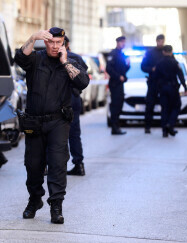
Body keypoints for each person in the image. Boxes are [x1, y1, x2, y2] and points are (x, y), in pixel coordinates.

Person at [14, 27, 89, 224]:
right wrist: (32, 37)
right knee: (33, 164)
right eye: (51, 42)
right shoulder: (35, 59)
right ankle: (34, 199)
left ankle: (56, 205)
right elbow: (20, 58)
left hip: (58, 122)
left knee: (57, 164)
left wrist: (65, 63)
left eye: (59, 43)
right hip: (35, 121)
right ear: (45, 42)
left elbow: (82, 82)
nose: (55, 47)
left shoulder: (71, 62)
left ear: (64, 44)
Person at [64, 35, 88, 176]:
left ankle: (50, 165)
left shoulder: (56, 58)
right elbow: (84, 78)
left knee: (53, 133)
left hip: (63, 99)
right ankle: (79, 164)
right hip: (74, 98)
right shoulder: (77, 58)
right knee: (74, 133)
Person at [155, 45, 187, 137]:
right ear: (171, 52)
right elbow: (180, 76)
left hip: (163, 89)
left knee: (165, 109)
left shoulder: (159, 63)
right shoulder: (175, 63)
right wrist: (185, 87)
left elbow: (155, 77)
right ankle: (170, 124)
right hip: (173, 88)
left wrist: (157, 89)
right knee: (176, 107)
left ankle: (165, 131)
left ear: (163, 52)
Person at [106, 36, 130, 135]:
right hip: (115, 83)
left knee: (119, 104)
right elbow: (109, 69)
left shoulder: (122, 54)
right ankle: (114, 127)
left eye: (124, 42)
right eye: (122, 42)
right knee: (115, 105)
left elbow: (123, 69)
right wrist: (118, 76)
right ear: (118, 42)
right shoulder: (113, 54)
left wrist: (128, 65)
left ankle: (116, 126)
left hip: (120, 83)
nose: (123, 44)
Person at [141, 34, 165, 133]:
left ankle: (165, 127)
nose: (161, 43)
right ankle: (147, 126)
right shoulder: (150, 53)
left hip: (164, 83)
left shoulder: (166, 52)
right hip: (153, 82)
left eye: (162, 41)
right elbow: (143, 67)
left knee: (165, 105)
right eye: (159, 41)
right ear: (156, 41)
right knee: (150, 105)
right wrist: (152, 69)